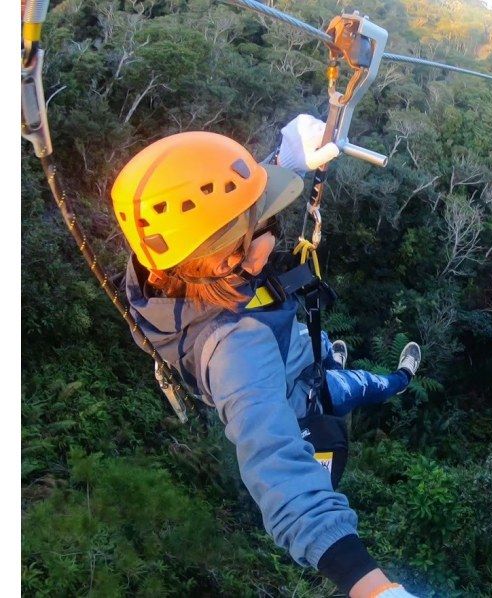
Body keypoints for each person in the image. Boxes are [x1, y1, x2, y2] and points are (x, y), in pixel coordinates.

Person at [110, 115, 422, 598]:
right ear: (234, 257)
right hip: (294, 389)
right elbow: (277, 465)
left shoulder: (163, 275)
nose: (273, 225)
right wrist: (373, 587)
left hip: (286, 344)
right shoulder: (237, 350)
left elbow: (208, 209)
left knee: (320, 353)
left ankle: (328, 358)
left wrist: (285, 161)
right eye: (268, 220)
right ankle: (401, 379)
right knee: (356, 386)